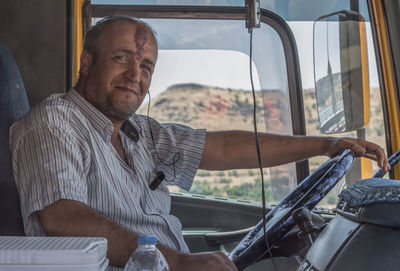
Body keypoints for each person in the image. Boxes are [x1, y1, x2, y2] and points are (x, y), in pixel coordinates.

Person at [9, 16, 389, 271]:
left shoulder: (140, 132)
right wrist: (176, 262)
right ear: (87, 62)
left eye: (145, 67)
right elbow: (61, 216)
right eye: (121, 58)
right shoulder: (54, 121)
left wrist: (325, 146)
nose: (134, 76)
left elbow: (221, 148)